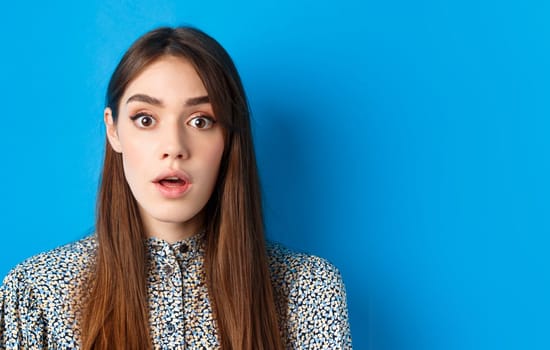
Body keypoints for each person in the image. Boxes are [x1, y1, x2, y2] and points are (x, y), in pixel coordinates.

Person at [0, 26, 352, 349]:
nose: (174, 146)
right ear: (114, 130)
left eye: (200, 121)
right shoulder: (35, 293)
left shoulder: (306, 289)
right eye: (146, 119)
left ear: (229, 137)